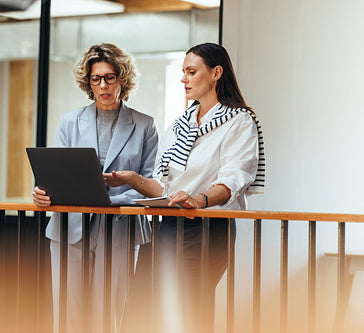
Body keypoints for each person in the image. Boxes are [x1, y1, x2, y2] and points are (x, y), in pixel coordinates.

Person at [103, 42, 265, 332]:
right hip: (167, 226)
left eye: (191, 72)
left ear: (216, 73)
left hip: (207, 229)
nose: (184, 79)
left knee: (188, 314)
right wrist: (133, 179)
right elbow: (164, 188)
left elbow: (234, 180)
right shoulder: (178, 126)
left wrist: (199, 200)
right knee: (143, 310)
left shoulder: (239, 121)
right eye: (183, 72)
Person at [32, 43, 158, 333]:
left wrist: (116, 197)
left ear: (122, 79)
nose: (103, 85)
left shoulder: (144, 125)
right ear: (88, 82)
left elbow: (150, 183)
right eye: (96, 78)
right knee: (67, 314)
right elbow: (54, 172)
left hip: (120, 225)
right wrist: (40, 191)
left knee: (108, 314)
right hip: (70, 225)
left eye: (110, 77)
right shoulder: (69, 121)